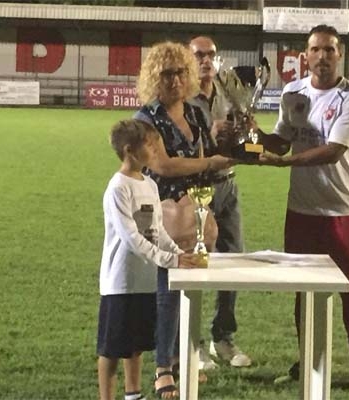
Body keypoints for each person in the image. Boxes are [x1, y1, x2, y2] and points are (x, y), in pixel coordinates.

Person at [251, 24, 349, 395]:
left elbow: (334, 151)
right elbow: (280, 142)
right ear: (305, 56)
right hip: (301, 212)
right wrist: (253, 135)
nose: (322, 56)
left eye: (329, 50)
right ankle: (306, 361)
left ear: (340, 54)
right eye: (315, 50)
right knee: (302, 291)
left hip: (341, 212)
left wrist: (284, 163)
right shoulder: (293, 92)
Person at [132, 41, 234, 397]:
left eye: (179, 72)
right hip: (161, 213)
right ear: (153, 77)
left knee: (190, 290)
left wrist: (239, 143)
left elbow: (209, 154)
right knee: (167, 291)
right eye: (166, 74)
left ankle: (180, 357)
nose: (174, 80)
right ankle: (163, 367)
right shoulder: (146, 118)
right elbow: (162, 165)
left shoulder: (194, 113)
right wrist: (209, 163)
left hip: (195, 213)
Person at [96, 119, 200, 400]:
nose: (155, 149)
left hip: (146, 279)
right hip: (121, 281)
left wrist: (178, 254)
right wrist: (169, 260)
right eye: (149, 144)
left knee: (136, 344)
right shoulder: (118, 188)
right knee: (111, 348)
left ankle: (133, 394)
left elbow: (157, 230)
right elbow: (131, 238)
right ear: (129, 151)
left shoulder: (150, 184)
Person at [188, 35, 252, 369]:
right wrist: (207, 135)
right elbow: (175, 146)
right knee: (196, 264)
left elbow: (245, 137)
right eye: (198, 55)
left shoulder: (229, 91)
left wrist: (246, 133)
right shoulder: (181, 97)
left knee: (235, 260)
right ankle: (192, 343)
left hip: (228, 186)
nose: (205, 60)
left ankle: (222, 337)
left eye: (210, 54)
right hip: (195, 189)